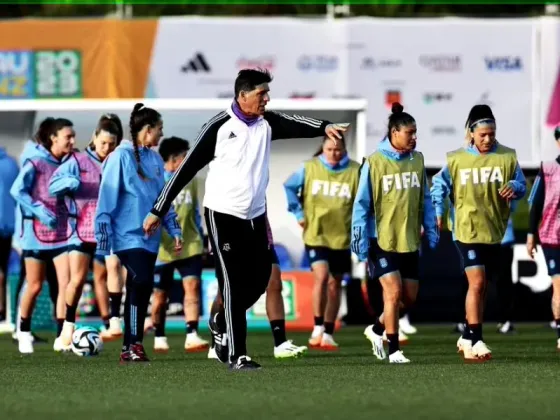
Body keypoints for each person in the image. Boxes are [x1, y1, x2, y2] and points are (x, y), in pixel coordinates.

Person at [144, 68, 348, 370]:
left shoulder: (267, 123)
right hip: (222, 216)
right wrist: (158, 209)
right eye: (261, 94)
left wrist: (325, 126)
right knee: (232, 283)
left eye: (267, 93)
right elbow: (184, 170)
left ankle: (217, 318)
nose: (266, 98)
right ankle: (237, 354)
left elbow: (295, 123)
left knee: (260, 279)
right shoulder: (218, 126)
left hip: (254, 216)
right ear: (242, 95)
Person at [431, 104, 526, 362]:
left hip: (494, 230)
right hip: (466, 229)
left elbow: (521, 185)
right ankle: (476, 338)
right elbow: (438, 185)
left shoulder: (507, 157)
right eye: (483, 134)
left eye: (492, 133)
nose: (488, 138)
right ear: (471, 133)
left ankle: (466, 335)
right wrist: (439, 212)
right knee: (477, 282)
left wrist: (515, 186)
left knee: (483, 288)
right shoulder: (457, 159)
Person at [95, 103, 182, 363]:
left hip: (150, 240)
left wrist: (173, 228)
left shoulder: (155, 160)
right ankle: (132, 343)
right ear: (146, 130)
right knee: (142, 281)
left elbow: (163, 199)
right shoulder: (119, 157)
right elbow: (106, 198)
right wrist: (103, 235)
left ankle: (130, 347)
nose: (162, 134)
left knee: (140, 287)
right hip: (125, 236)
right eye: (159, 129)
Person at [352, 103, 438, 363]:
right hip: (381, 239)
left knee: (408, 299)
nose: (413, 137)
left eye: (415, 133)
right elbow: (361, 203)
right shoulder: (374, 163)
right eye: (409, 133)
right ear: (393, 133)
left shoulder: (418, 160)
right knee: (392, 293)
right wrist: (359, 239)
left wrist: (431, 228)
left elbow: (425, 199)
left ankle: (377, 329)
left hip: (409, 239)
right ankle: (395, 350)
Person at [49, 115, 122, 349]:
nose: (107, 148)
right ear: (94, 138)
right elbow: (52, 186)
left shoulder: (118, 162)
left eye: (112, 144)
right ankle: (67, 328)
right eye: (103, 143)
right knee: (77, 280)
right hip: (79, 230)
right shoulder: (76, 161)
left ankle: (114, 320)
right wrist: (69, 182)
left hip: (106, 229)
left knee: (113, 266)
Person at [284, 134, 360, 350]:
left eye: (338, 150)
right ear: (323, 149)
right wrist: (298, 213)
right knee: (322, 276)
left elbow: (364, 200)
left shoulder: (355, 171)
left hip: (342, 236)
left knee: (335, 284)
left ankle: (328, 331)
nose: (333, 154)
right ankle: (317, 325)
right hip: (316, 234)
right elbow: (289, 187)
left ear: (344, 149)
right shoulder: (309, 168)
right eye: (329, 149)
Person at [10, 118, 75, 354]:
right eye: (68, 136)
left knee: (66, 284)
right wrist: (39, 210)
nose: (72, 140)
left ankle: (62, 336)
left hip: (61, 234)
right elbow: (16, 190)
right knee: (35, 285)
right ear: (53, 138)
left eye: (73, 135)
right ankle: (24, 331)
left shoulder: (69, 162)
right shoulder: (36, 162)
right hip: (34, 235)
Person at [207, 212, 308, 362]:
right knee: (225, 293)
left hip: (260, 234)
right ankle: (217, 339)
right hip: (229, 233)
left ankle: (280, 342)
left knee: (274, 282)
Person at [150, 136, 209, 353]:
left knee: (192, 288)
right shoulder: (155, 182)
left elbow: (196, 212)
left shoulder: (192, 181)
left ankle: (192, 334)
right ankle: (159, 335)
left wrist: (202, 239)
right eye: (185, 156)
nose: (188, 159)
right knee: (160, 296)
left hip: (190, 244)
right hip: (162, 249)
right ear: (174, 159)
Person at [526, 125, 560, 351]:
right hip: (552, 236)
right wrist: (530, 235)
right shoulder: (548, 170)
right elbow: (535, 203)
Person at [0, 146, 19, 322]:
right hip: (8, 225)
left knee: (4, 270)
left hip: (5, 224)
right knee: (4, 269)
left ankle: (3, 311)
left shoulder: (10, 165)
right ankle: (4, 310)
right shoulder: (11, 164)